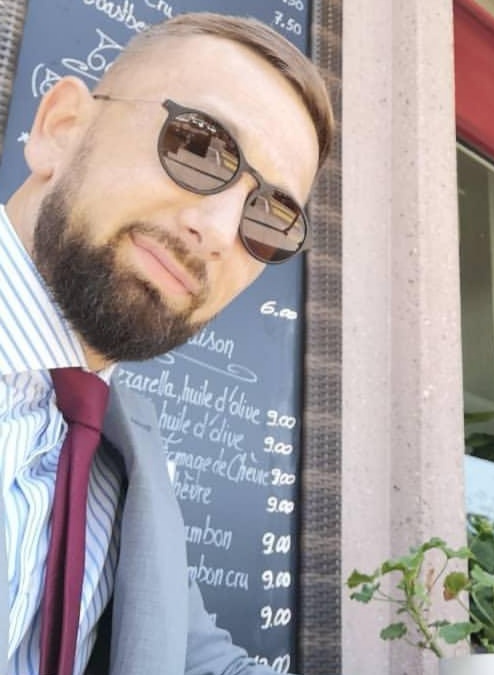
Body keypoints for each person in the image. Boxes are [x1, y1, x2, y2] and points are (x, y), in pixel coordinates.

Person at [0, 12, 334, 675]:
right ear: (61, 129)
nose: (215, 229)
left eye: (268, 218)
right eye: (199, 147)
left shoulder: (125, 459)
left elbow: (193, 659)